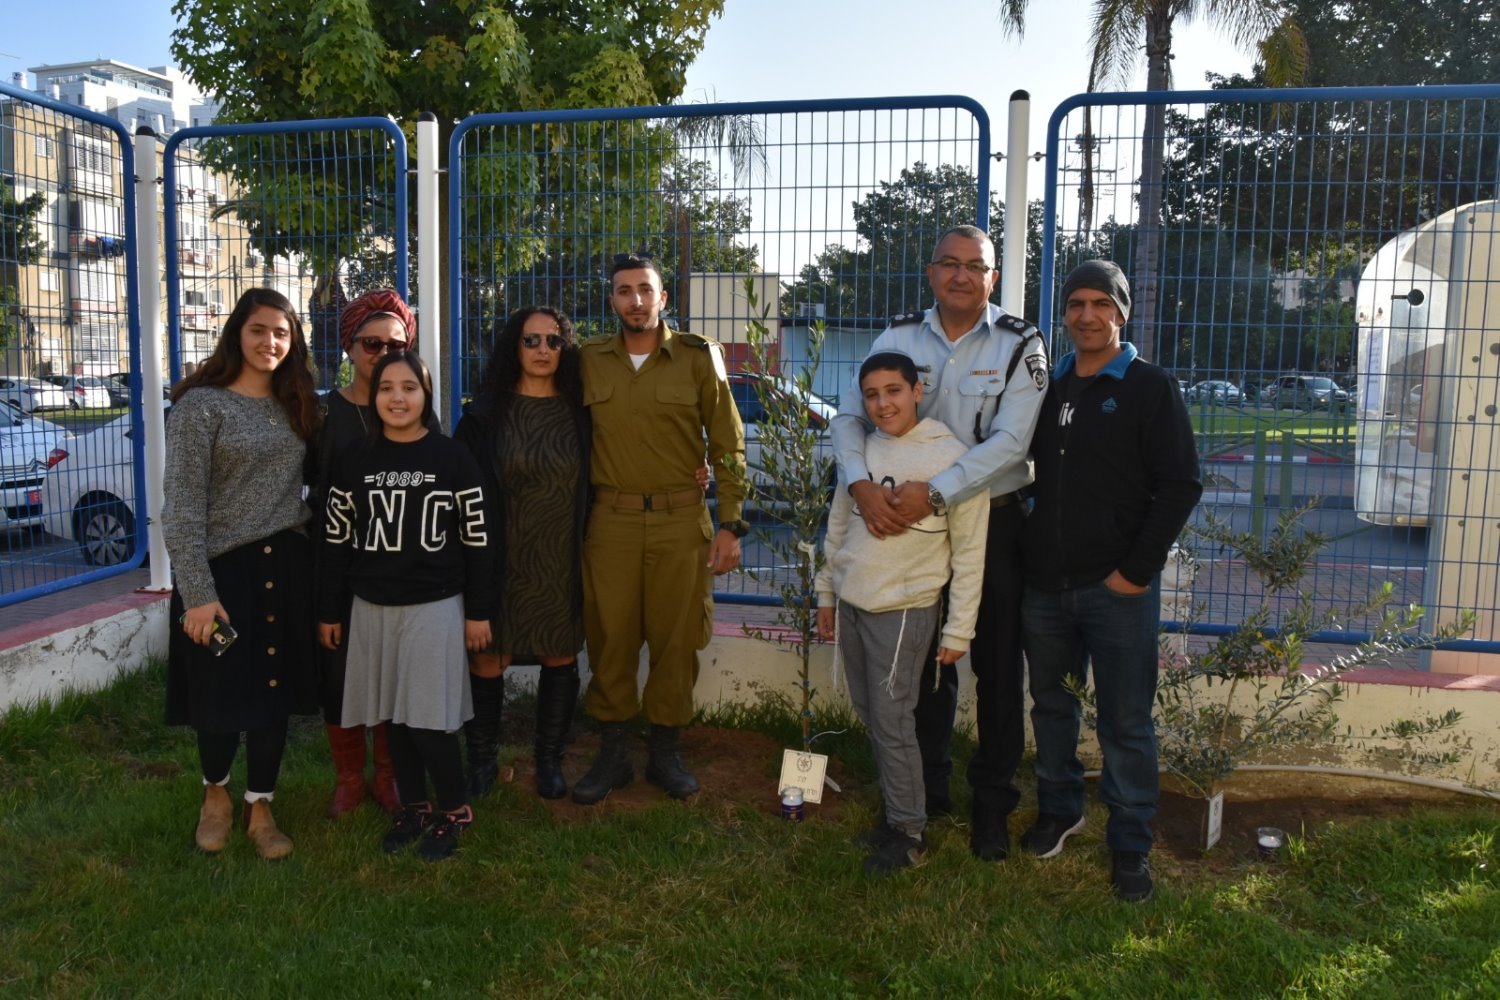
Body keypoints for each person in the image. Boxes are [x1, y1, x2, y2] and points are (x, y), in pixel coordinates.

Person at [829, 224, 1048, 861]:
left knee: (994, 664)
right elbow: (849, 417)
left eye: (973, 266)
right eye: (948, 264)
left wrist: (939, 488)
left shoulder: (1019, 343)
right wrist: (861, 483)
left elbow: (1010, 441)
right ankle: (924, 791)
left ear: (992, 277)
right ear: (931, 273)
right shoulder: (897, 337)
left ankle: (992, 805)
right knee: (920, 667)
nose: (960, 276)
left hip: (990, 519)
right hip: (898, 521)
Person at [1020, 259, 1202, 902]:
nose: (1088, 315)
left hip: (1118, 589)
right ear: (1064, 314)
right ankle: (1061, 809)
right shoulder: (1046, 386)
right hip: (1044, 586)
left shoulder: (1151, 387)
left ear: (1121, 313)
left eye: (1102, 304)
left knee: (1126, 722)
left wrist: (1135, 572)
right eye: (1077, 304)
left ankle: (1130, 844)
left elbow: (1180, 485)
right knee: (1051, 706)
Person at [571, 253, 748, 805]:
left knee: (677, 642)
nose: (635, 301)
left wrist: (730, 523)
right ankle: (614, 753)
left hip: (680, 522)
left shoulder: (699, 357)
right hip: (610, 523)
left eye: (645, 290)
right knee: (610, 638)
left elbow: (728, 442)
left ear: (663, 297)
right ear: (612, 300)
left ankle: (666, 751)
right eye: (624, 291)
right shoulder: (587, 361)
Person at [163, 287, 322, 860]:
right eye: (259, 330)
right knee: (220, 691)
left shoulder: (299, 401)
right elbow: (180, 508)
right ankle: (215, 796)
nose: (270, 342)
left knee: (273, 694)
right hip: (221, 574)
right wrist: (197, 595)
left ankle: (261, 806)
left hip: (288, 565)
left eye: (282, 333)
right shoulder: (199, 407)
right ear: (237, 333)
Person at [317, 351, 495, 861]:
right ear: (374, 396)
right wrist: (330, 611)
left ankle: (454, 810)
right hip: (371, 606)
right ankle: (414, 807)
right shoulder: (356, 459)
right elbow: (335, 542)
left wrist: (479, 612)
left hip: (433, 606)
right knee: (393, 718)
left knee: (428, 721)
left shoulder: (451, 457)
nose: (398, 397)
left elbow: (480, 541)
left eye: (409, 388)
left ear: (426, 396)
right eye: (387, 388)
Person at [816, 352, 989, 874]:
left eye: (894, 390)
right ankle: (896, 817)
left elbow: (970, 551)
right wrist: (827, 592)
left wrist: (959, 628)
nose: (882, 403)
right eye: (871, 394)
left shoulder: (951, 458)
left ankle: (910, 832)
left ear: (917, 391)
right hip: (855, 601)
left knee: (893, 720)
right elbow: (839, 524)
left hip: (906, 609)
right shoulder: (861, 450)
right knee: (872, 714)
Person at [453, 307, 591, 800]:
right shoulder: (483, 414)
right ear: (514, 346)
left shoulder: (583, 412)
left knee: (559, 655)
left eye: (553, 342)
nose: (541, 351)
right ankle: (483, 762)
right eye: (531, 340)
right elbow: (460, 492)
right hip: (498, 558)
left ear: (565, 350)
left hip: (560, 557)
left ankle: (548, 761)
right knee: (489, 660)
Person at [311, 288, 432, 820]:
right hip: (334, 565)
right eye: (371, 343)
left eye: (395, 345)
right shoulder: (319, 415)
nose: (382, 353)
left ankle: (388, 776)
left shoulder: (411, 412)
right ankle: (346, 779)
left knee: (389, 674)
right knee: (337, 675)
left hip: (397, 569)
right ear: (350, 347)